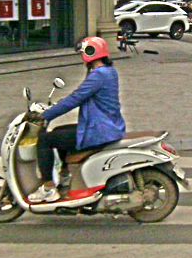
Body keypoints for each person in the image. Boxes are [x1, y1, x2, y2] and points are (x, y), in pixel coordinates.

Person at [28, 36, 126, 203]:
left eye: (83, 52)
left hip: (98, 131)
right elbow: (83, 95)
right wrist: (58, 105)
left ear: (91, 52)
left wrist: (45, 115)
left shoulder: (98, 75)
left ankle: (48, 187)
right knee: (58, 131)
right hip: (107, 127)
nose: (82, 56)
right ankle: (65, 175)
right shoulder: (109, 71)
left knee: (45, 140)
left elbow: (76, 98)